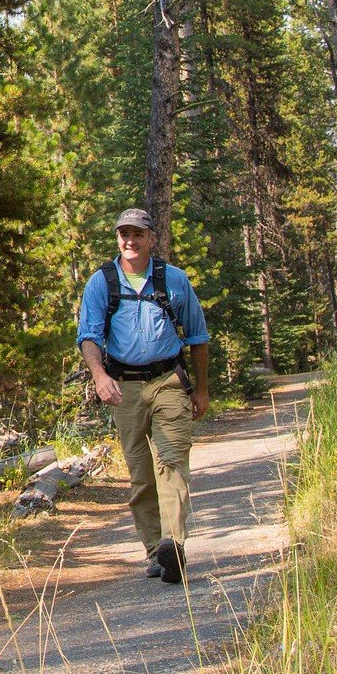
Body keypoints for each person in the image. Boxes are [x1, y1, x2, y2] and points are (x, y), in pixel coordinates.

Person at [76, 208, 210, 583]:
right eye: (124, 235)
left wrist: (201, 389)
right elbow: (88, 336)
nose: (130, 241)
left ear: (152, 237)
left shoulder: (174, 280)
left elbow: (198, 337)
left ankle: (173, 544)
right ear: (118, 239)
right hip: (125, 389)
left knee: (171, 462)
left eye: (137, 234)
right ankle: (156, 551)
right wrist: (100, 376)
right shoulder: (102, 282)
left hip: (168, 381)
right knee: (141, 475)